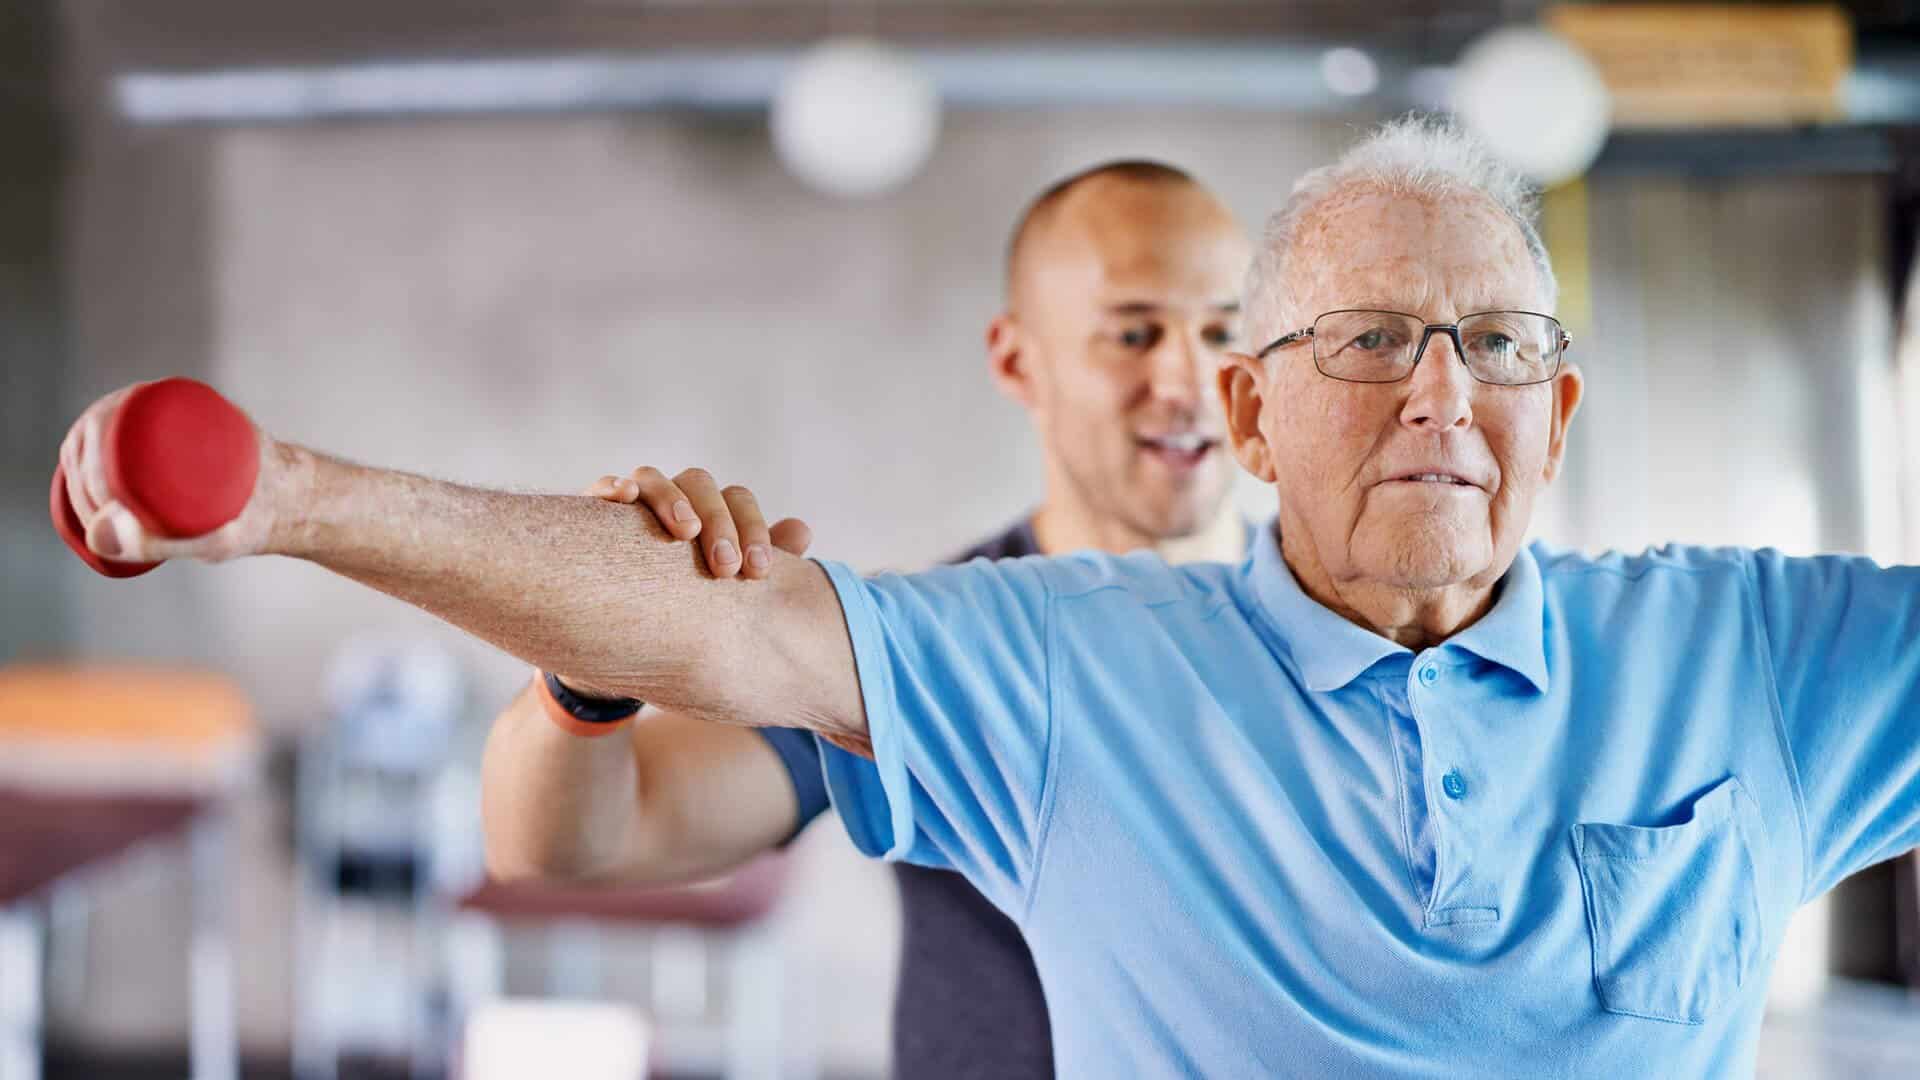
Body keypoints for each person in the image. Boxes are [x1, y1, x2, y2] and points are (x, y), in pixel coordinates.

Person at [56, 118, 1920, 1076]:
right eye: (1364, 342)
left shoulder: (1737, 652)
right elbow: (639, 737)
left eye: (1493, 343)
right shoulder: (1037, 651)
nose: (1439, 392)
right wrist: (286, 499)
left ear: (1559, 404)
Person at [480, 159, 1252, 1079]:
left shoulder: (1344, 622)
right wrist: (591, 665)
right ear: (1017, 360)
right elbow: (572, 844)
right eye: (1132, 333)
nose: (1187, 379)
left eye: (1221, 332)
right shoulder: (916, 645)